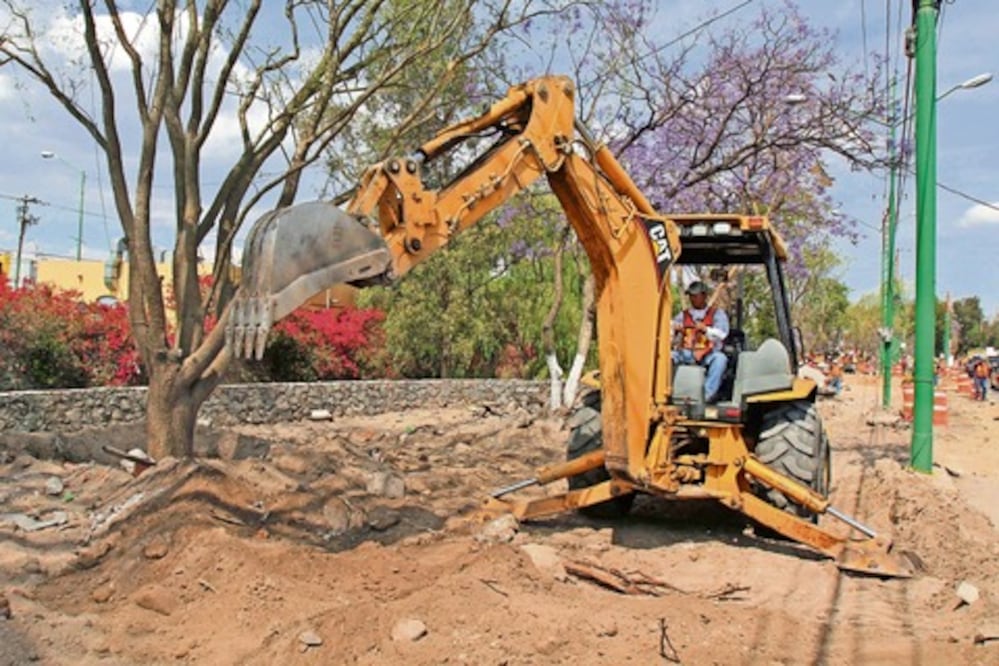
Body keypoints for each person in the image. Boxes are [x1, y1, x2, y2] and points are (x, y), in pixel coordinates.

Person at [672, 280, 729, 403]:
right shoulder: (683, 315)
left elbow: (722, 334)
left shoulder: (717, 314)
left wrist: (706, 330)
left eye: (695, 296)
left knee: (720, 359)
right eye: (690, 296)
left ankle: (706, 395)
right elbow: (670, 331)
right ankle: (670, 391)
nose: (692, 299)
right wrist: (675, 330)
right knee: (669, 357)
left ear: (704, 296)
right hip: (686, 354)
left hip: (708, 354)